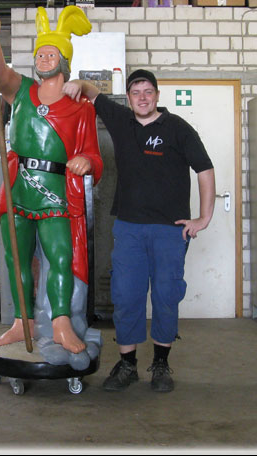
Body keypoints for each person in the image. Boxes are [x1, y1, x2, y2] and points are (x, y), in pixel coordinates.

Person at [64, 69, 215, 392]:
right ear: (129, 98)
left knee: (166, 296)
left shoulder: (178, 128)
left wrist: (204, 218)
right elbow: (92, 92)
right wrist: (77, 84)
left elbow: (205, 169)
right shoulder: (121, 120)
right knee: (126, 296)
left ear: (157, 95)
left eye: (148, 91)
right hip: (129, 228)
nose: (142, 97)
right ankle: (127, 365)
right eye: (136, 92)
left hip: (169, 231)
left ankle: (160, 364)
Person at [0, 6, 103, 355]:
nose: (44, 59)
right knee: (16, 258)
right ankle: (23, 321)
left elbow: (94, 154)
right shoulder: (22, 90)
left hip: (56, 191)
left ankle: (61, 322)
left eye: (52, 54)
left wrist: (86, 161)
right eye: (40, 54)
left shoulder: (81, 106)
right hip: (17, 186)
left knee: (60, 255)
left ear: (65, 60)